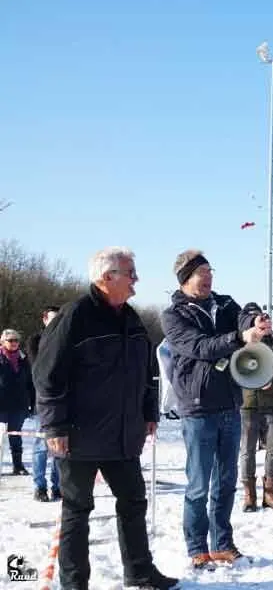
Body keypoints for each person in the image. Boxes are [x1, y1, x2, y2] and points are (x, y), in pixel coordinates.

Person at [33, 247, 178, 590]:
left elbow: (145, 373)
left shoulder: (131, 318)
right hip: (78, 436)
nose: (136, 280)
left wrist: (148, 412)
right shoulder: (74, 316)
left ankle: (140, 572)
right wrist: (54, 425)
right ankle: (74, 583)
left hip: (123, 435)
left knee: (134, 502)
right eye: (130, 273)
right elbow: (46, 375)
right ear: (106, 277)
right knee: (77, 510)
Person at [161, 250, 268, 569]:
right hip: (197, 408)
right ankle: (196, 546)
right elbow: (200, 347)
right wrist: (238, 337)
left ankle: (222, 543)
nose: (208, 277)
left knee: (226, 481)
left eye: (210, 271)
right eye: (201, 273)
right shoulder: (173, 315)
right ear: (184, 279)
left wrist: (254, 319)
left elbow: (243, 315)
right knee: (198, 484)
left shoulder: (224, 303)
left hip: (229, 404)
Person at [238, 303, 273, 512]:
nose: (262, 323)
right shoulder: (242, 341)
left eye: (263, 319)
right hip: (248, 403)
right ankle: (249, 494)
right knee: (247, 450)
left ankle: (270, 492)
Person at [27, 306, 62, 501]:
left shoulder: (66, 340)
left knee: (60, 447)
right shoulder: (35, 341)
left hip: (64, 401)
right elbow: (40, 369)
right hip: (44, 400)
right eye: (52, 319)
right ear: (44, 319)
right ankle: (39, 486)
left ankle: (57, 485)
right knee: (41, 445)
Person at [0, 328, 35, 475]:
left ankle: (18, 465)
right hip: (1, 404)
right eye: (10, 340)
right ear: (2, 341)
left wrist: (32, 403)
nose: (14, 343)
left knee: (16, 436)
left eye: (16, 340)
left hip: (19, 404)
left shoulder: (23, 358)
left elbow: (30, 382)